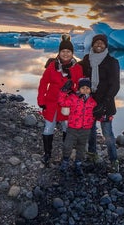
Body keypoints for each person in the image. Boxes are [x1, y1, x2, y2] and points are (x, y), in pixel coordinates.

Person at [37, 34, 83, 167]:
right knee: (48, 128)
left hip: (67, 104)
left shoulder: (77, 68)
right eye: (63, 51)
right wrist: (41, 100)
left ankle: (66, 154)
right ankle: (47, 154)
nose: (66, 54)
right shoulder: (52, 66)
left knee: (67, 128)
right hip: (51, 102)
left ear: (72, 53)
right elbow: (43, 83)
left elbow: (80, 86)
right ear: (59, 52)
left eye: (68, 51)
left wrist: (74, 91)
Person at [79, 34, 120, 172]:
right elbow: (74, 69)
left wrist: (104, 103)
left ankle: (114, 160)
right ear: (92, 44)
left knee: (107, 133)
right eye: (96, 42)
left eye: (102, 43)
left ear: (106, 45)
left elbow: (115, 85)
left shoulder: (112, 62)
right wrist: (57, 62)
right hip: (89, 101)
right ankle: (92, 154)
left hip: (105, 104)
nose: (99, 45)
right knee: (90, 130)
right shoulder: (86, 59)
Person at [58, 78, 97, 175]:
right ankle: (65, 161)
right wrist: (63, 91)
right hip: (72, 128)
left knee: (81, 147)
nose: (85, 90)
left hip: (86, 129)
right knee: (67, 145)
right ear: (78, 89)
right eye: (82, 88)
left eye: (87, 88)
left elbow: (97, 114)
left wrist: (107, 116)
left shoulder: (93, 102)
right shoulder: (73, 98)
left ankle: (78, 163)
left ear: (90, 89)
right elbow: (62, 102)